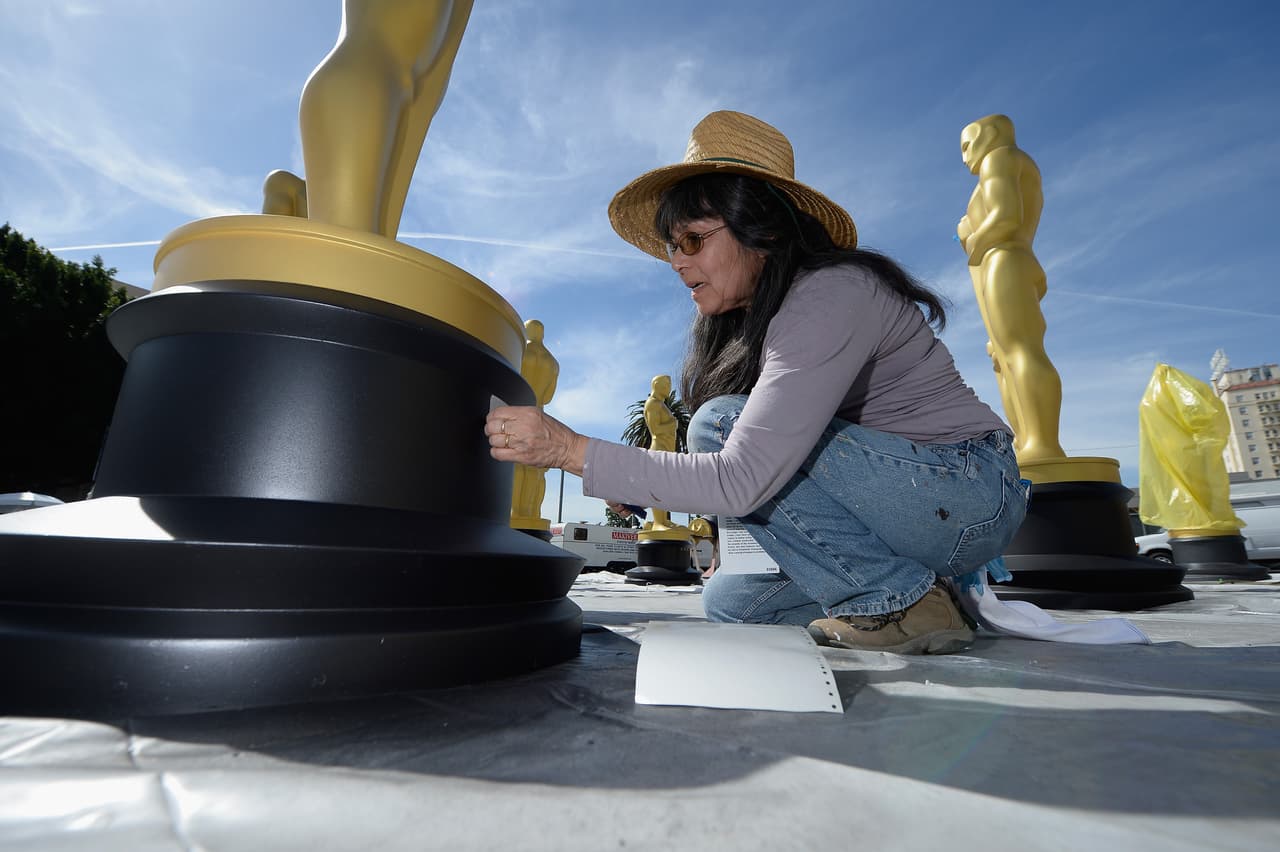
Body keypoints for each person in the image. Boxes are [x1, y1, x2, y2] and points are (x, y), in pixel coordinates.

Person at [486, 110, 1027, 655]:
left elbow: (741, 472)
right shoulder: (768, 321)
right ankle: (931, 597)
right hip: (914, 505)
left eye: (693, 240)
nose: (676, 262)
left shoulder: (830, 293)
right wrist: (635, 485)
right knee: (734, 602)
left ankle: (900, 603)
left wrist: (569, 450)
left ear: (762, 230)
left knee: (719, 424)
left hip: (968, 489)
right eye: (672, 247)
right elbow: (763, 479)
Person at [957, 114, 1065, 462]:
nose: (964, 156)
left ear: (990, 134)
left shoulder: (999, 157)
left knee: (1020, 351)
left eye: (967, 144)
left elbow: (1005, 216)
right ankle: (1027, 440)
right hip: (999, 263)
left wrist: (970, 236)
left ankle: (1043, 444)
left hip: (1006, 259)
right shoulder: (1005, 163)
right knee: (1002, 359)